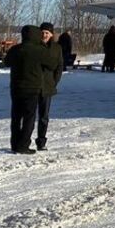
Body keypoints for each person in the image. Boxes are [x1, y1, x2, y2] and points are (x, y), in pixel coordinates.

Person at [3, 25, 47, 154]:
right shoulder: (39, 50)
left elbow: (6, 62)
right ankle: (23, 145)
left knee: (16, 117)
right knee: (29, 117)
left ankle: (15, 144)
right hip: (32, 87)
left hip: (16, 87)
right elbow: (51, 63)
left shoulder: (16, 49)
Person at [36, 22, 63, 151]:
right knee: (28, 116)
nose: (44, 35)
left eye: (47, 33)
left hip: (47, 86)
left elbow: (59, 67)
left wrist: (54, 81)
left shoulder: (57, 48)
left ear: (51, 34)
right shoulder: (35, 46)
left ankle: (41, 142)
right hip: (33, 85)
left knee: (44, 116)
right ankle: (23, 141)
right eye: (42, 32)